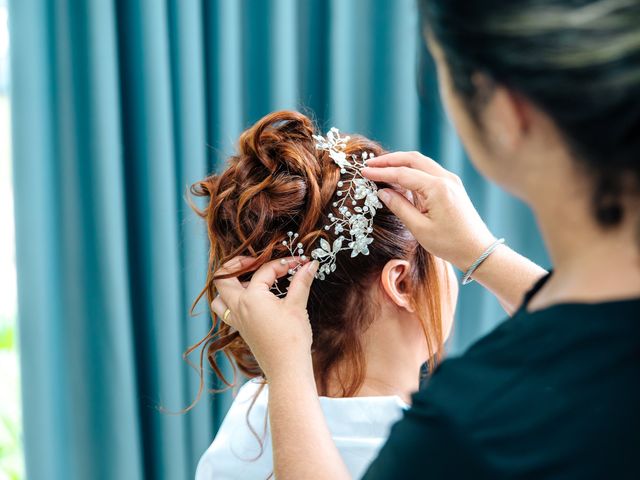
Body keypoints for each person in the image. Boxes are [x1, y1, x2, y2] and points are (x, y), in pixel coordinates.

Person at [211, 0, 640, 478]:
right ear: (402, 284)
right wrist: (482, 255)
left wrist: (287, 370)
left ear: (506, 110)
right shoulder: (473, 428)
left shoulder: (246, 429)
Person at [191, 111, 463, 479]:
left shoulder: (249, 420)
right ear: (401, 285)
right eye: (443, 253)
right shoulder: (443, 454)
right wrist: (485, 255)